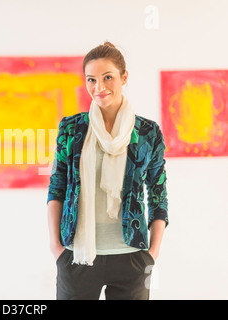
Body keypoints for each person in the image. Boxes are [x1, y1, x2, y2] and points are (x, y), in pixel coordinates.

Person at [46, 41, 169, 300]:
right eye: (91, 79)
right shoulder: (72, 129)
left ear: (124, 77)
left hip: (131, 256)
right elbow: (57, 187)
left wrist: (153, 252)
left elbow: (158, 195)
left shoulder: (147, 133)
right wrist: (57, 247)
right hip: (77, 255)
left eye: (107, 77)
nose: (98, 88)